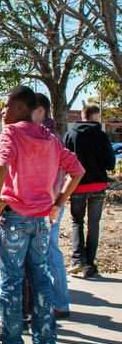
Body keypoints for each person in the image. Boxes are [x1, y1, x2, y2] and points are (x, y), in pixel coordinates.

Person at [0, 86, 84, 344]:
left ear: (20, 107)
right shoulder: (50, 138)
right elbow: (77, 170)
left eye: (6, 106)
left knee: (12, 282)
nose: (2, 111)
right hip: (41, 221)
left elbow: (2, 162)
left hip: (14, 217)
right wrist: (57, 203)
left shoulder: (12, 132)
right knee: (41, 281)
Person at [64, 104, 116, 279]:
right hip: (98, 186)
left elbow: (63, 162)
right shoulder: (101, 136)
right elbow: (110, 163)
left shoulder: (70, 135)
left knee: (77, 222)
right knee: (94, 225)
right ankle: (90, 265)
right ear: (94, 117)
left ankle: (77, 260)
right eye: (99, 116)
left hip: (77, 185)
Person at [30, 93, 69, 316]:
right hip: (48, 204)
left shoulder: (50, 137)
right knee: (46, 252)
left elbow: (58, 177)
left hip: (49, 205)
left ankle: (60, 303)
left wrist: (51, 206)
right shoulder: (46, 134)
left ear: (41, 111)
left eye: (29, 110)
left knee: (51, 252)